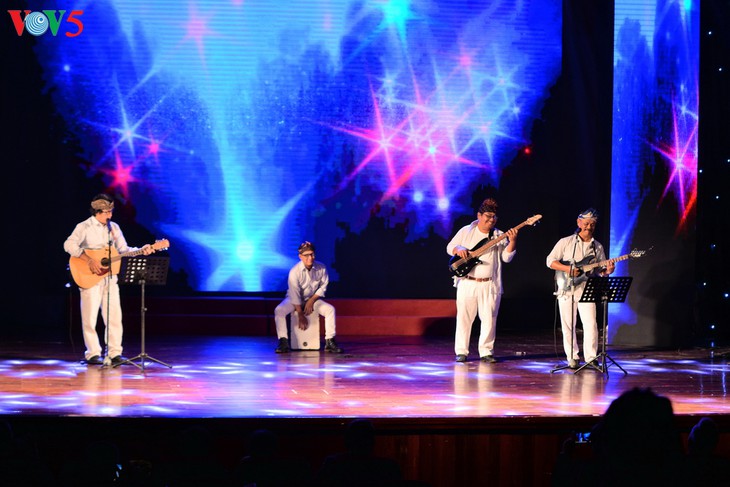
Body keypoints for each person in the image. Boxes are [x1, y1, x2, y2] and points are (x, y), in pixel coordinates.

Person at [64, 194, 153, 366]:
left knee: (114, 316)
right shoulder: (84, 227)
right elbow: (69, 245)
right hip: (89, 276)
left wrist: (142, 249)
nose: (109, 215)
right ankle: (92, 353)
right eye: (106, 212)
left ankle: (115, 353)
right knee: (90, 317)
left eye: (111, 211)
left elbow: (124, 250)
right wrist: (88, 259)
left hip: (110, 277)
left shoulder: (114, 228)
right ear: (97, 211)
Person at [446, 198, 518, 363]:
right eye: (488, 216)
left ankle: (486, 352)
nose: (491, 220)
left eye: (494, 217)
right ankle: (461, 351)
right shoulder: (466, 231)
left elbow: (506, 258)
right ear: (479, 215)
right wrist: (459, 248)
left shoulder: (499, 235)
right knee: (464, 318)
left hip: (490, 284)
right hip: (468, 282)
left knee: (489, 319)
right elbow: (450, 247)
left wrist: (513, 241)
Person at [546, 208, 614, 369]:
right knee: (568, 325)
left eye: (592, 224)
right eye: (586, 223)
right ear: (579, 222)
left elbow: (600, 270)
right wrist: (567, 269)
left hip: (586, 288)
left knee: (590, 324)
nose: (588, 227)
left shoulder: (597, 247)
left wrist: (607, 271)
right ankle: (572, 357)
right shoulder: (566, 242)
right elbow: (550, 261)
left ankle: (591, 358)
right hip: (566, 288)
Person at [274, 241, 343, 354]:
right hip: (294, 299)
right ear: (300, 256)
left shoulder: (321, 268)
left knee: (330, 309)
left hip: (312, 298)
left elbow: (323, 286)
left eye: (312, 254)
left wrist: (311, 300)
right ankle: (283, 342)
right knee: (279, 310)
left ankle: (330, 341)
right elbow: (294, 293)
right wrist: (300, 314)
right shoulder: (294, 271)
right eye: (306, 255)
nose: (310, 258)